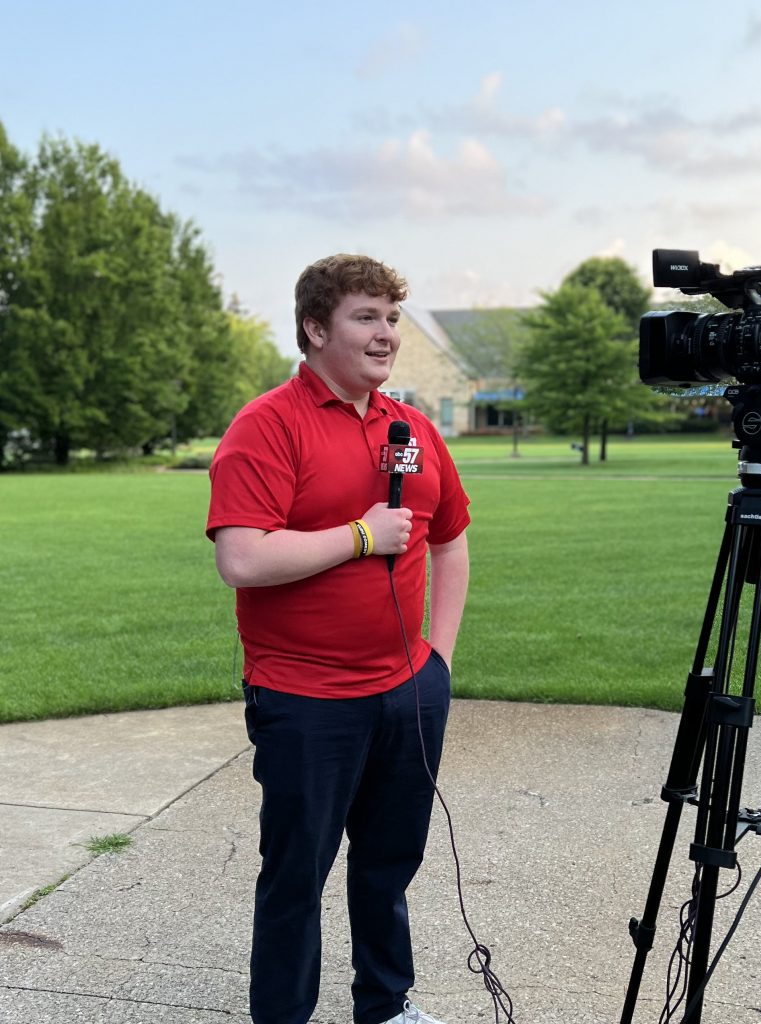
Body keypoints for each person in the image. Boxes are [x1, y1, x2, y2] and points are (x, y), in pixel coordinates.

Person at [206, 253, 470, 1024]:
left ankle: (384, 1006)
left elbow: (450, 538)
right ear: (316, 327)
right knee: (296, 875)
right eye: (366, 317)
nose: (386, 334)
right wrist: (360, 535)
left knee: (388, 867)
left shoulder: (411, 428)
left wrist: (438, 662)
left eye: (392, 318)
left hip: (406, 692)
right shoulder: (268, 423)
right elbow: (243, 557)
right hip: (304, 698)